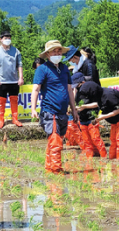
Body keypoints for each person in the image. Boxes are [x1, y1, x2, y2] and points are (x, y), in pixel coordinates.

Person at [31, 40, 79, 174]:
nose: (57, 53)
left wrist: (74, 110)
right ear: (47, 54)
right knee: (55, 140)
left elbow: (69, 90)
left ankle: (49, 167)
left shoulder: (64, 69)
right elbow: (36, 89)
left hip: (63, 112)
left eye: (59, 51)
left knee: (56, 140)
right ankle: (57, 170)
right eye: (54, 51)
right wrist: (33, 109)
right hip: (49, 110)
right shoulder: (42, 69)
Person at [72, 73, 107, 158]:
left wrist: (84, 106)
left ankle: (104, 157)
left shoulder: (91, 87)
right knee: (87, 141)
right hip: (83, 119)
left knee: (96, 138)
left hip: (91, 118)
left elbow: (98, 104)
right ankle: (90, 158)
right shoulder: (78, 92)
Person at [93, 85, 119, 160]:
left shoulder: (109, 95)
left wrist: (103, 117)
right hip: (114, 121)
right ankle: (112, 159)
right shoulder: (100, 96)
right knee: (113, 140)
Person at [0, 31, 24, 128]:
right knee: (1, 102)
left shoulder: (16, 51)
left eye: (9, 38)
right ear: (1, 39)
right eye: (5, 38)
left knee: (14, 100)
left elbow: (20, 65)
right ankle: (1, 119)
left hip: (14, 81)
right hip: (2, 81)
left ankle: (15, 119)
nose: (7, 40)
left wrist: (21, 77)